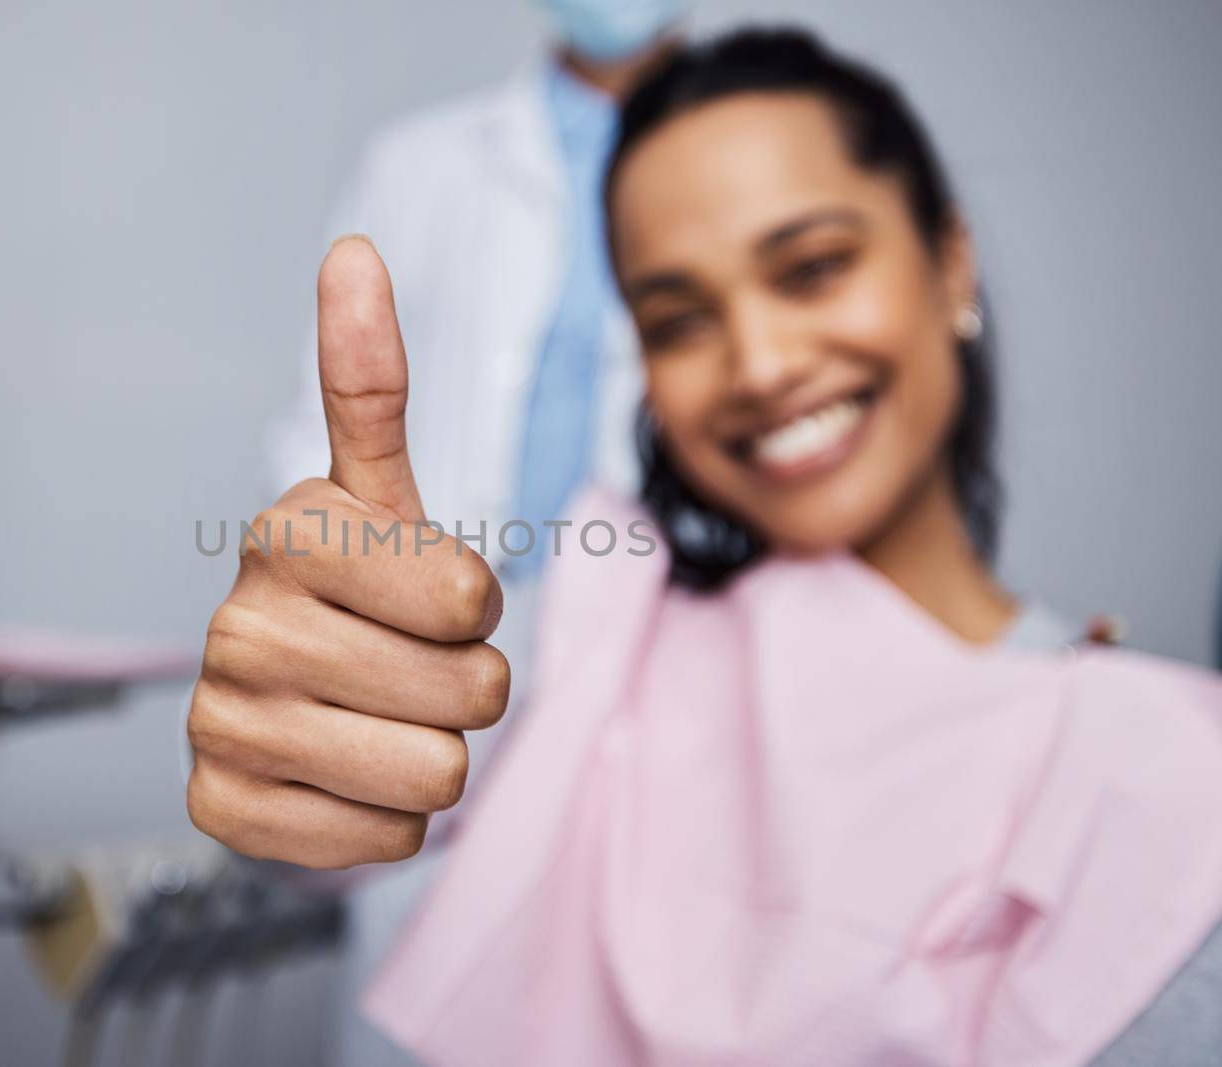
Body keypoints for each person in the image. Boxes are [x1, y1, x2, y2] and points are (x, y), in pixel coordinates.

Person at [192, 27, 1222, 1066]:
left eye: (813, 267)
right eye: (679, 320)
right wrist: (289, 753)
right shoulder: (584, 641)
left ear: (949, 259)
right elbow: (345, 816)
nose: (761, 363)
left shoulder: (1153, 777)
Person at [264, 3, 686, 1062]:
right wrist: (343, 618)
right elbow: (319, 422)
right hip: (441, 629)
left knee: (642, 982)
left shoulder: (742, 159)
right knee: (417, 967)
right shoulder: (422, 162)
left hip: (659, 644)